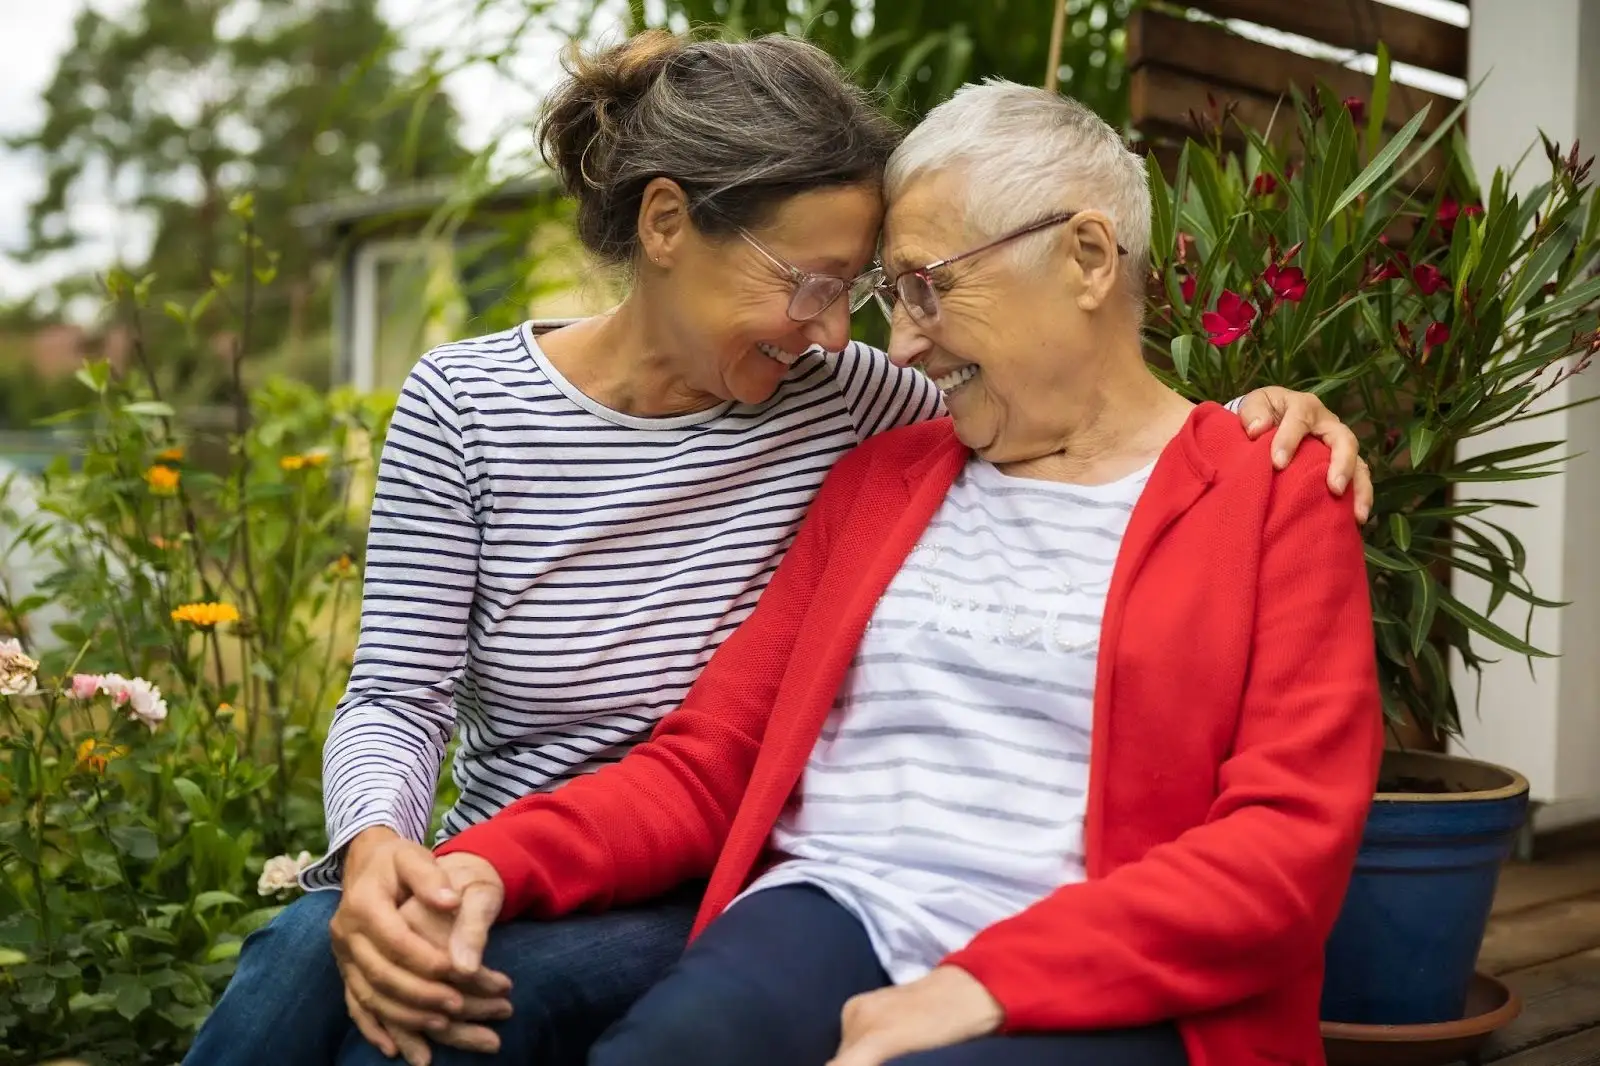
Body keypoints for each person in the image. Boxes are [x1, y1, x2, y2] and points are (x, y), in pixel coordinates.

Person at [183, 32, 1371, 1066]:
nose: (864, 339)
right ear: (665, 225)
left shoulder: (870, 404)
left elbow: (1113, 423)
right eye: (828, 286)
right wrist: (429, 852)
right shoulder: (500, 406)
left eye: (894, 290)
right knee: (319, 957)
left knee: (448, 1011)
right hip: (680, 868)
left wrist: (1271, 415)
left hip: (783, 889)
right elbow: (484, 709)